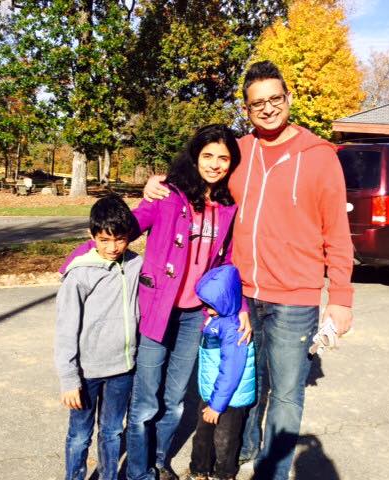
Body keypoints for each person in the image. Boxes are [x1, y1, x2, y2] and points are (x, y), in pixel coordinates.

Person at [143, 61, 354, 480]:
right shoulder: (239, 153)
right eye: (258, 103)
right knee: (246, 385)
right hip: (241, 297)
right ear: (247, 109)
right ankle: (240, 453)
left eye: (276, 99)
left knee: (286, 394)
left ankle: (270, 471)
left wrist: (341, 299)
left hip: (295, 297)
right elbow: (200, 176)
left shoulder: (319, 157)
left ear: (288, 98)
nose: (268, 108)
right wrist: (159, 182)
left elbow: (337, 230)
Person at [60, 125, 250, 480]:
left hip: (194, 316)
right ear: (194, 157)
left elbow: (226, 263)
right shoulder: (167, 194)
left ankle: (159, 462)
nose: (214, 164)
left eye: (223, 158)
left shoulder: (228, 206)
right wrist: (78, 258)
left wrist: (238, 307)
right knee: (146, 402)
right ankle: (138, 471)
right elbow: (122, 230)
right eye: (207, 155)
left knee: (174, 400)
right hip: (156, 312)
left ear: (231, 163)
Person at [54, 194, 142, 480]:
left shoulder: (135, 265)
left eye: (120, 239)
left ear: (129, 236)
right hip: (87, 372)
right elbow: (66, 330)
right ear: (91, 236)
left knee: (112, 431)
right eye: (104, 240)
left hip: (122, 369)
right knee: (80, 434)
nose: (112, 247)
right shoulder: (80, 274)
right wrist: (69, 379)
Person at [186, 265, 255, 480]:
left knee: (225, 440)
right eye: (205, 304)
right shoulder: (217, 317)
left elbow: (231, 370)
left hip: (230, 398)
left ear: (226, 301)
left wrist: (217, 406)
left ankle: (224, 474)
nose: (206, 309)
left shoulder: (234, 328)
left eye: (210, 305)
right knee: (203, 435)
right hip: (212, 391)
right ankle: (199, 470)